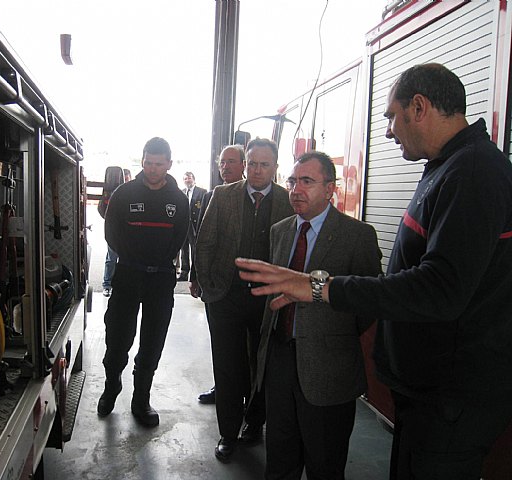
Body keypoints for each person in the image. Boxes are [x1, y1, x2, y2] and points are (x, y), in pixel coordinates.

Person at [236, 63, 512, 480]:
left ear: (419, 107)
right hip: (429, 394)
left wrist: (318, 287)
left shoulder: (472, 172)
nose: (387, 131)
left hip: (451, 398)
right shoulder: (449, 168)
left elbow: (439, 288)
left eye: (390, 116)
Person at [257, 151, 382, 479]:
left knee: (324, 463)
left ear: (330, 189)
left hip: (329, 369)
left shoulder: (357, 237)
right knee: (280, 457)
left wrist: (330, 336)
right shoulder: (280, 231)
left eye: (307, 182)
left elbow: (367, 305)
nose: (296, 189)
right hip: (280, 360)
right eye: (293, 181)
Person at [195, 138, 294, 461]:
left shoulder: (286, 200)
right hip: (225, 297)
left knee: (262, 366)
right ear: (245, 164)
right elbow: (205, 242)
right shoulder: (223, 196)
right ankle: (228, 432)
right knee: (227, 367)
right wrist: (207, 285)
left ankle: (254, 424)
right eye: (252, 163)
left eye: (265, 164)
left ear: (275, 168)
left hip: (268, 300)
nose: (257, 170)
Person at [97, 137, 189, 428]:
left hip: (160, 279)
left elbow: (181, 236)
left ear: (169, 165)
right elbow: (112, 232)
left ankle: (141, 400)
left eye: (158, 164)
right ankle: (112, 386)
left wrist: (160, 259)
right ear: (143, 160)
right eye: (148, 163)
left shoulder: (178, 199)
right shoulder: (125, 194)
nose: (152, 169)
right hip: (128, 274)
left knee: (152, 340)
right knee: (118, 337)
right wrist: (133, 256)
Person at [191, 145, 246, 405]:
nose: (225, 167)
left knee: (245, 347)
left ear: (244, 165)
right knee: (222, 345)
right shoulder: (213, 195)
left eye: (231, 162)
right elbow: (201, 239)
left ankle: (247, 392)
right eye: (222, 163)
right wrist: (197, 278)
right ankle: (222, 388)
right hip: (218, 286)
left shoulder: (256, 198)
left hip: (248, 290)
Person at [102, 168, 133, 297]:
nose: (125, 180)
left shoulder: (133, 191)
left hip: (130, 231)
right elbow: (102, 209)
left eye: (127, 178)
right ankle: (107, 284)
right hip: (114, 231)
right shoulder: (109, 193)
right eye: (123, 178)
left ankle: (125, 285)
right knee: (111, 258)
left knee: (129, 260)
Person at [178, 172, 207, 281]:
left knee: (196, 249)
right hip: (184, 226)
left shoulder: (202, 192)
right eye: (185, 179)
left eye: (189, 178)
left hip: (195, 226)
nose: (187, 180)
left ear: (194, 179)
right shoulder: (181, 193)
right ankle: (184, 272)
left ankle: (196, 273)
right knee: (184, 250)